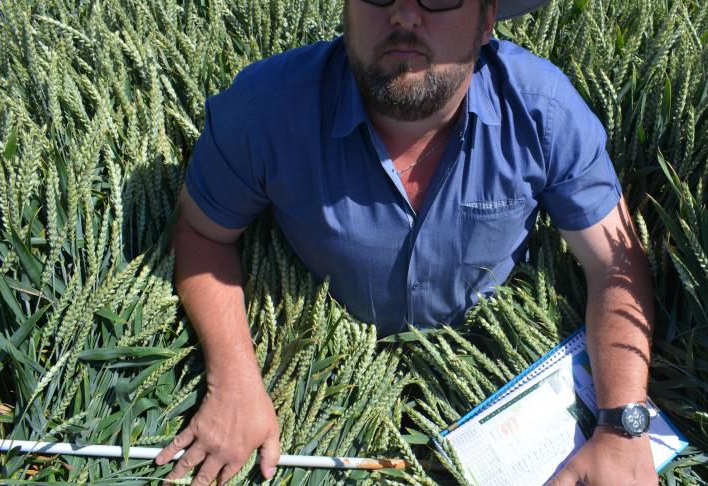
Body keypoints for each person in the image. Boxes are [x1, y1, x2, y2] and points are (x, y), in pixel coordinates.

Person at [154, 0, 657, 484]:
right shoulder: (263, 112)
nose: (404, 13)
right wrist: (235, 381)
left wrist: (621, 425)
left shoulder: (545, 113)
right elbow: (201, 232)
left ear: (486, 18)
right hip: (327, 371)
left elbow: (615, 260)